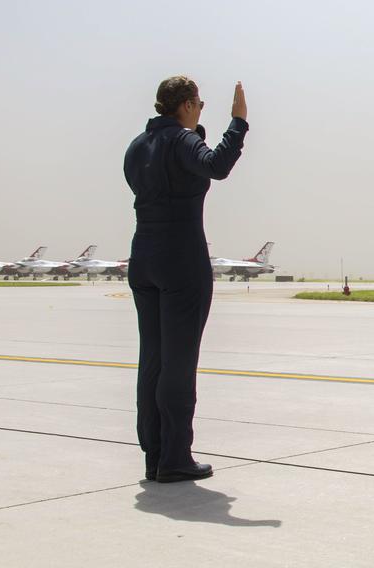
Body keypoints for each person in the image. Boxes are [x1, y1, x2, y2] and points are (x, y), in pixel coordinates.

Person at [123, 76, 248, 482]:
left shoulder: (138, 146)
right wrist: (238, 123)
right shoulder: (182, 140)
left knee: (154, 360)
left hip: (143, 255)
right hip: (181, 257)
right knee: (180, 362)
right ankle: (176, 457)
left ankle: (154, 453)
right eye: (200, 105)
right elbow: (216, 165)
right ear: (189, 105)